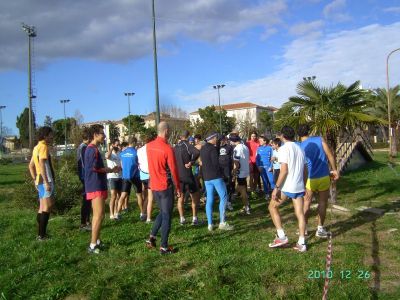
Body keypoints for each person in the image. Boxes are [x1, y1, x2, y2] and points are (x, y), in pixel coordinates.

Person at [268, 126, 307, 252]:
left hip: (288, 186)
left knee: (272, 207)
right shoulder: (300, 148)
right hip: (299, 185)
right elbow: (305, 169)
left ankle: (281, 236)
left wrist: (276, 188)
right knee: (300, 213)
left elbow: (284, 171)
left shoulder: (284, 149)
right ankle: (302, 243)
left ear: (283, 136)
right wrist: (304, 184)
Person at [145, 122, 181, 254]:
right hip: (164, 186)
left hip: (154, 185)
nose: (170, 132)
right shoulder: (167, 149)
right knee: (167, 216)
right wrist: (178, 188)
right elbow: (174, 170)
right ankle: (164, 247)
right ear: (166, 131)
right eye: (170, 130)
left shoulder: (148, 146)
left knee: (162, 212)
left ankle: (152, 237)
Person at [297, 124, 339, 238]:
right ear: (308, 131)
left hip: (310, 178)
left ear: (298, 134)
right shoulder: (319, 139)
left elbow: (302, 165)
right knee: (322, 203)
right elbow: (330, 155)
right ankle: (320, 228)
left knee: (306, 203)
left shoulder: (300, 146)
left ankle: (304, 228)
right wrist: (335, 170)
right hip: (324, 176)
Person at [84, 124, 119, 254]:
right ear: (95, 135)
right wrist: (109, 169)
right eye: (102, 133)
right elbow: (94, 168)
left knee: (99, 215)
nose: (104, 136)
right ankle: (93, 245)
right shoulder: (91, 150)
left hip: (98, 184)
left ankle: (97, 240)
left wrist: (111, 169)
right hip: (95, 185)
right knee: (98, 215)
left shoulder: (95, 149)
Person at [200, 132, 233, 231]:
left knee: (209, 199)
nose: (217, 140)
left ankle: (210, 224)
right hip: (216, 176)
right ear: (213, 138)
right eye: (216, 138)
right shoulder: (212, 149)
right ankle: (222, 222)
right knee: (223, 196)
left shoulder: (203, 149)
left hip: (206, 178)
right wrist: (223, 175)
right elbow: (216, 163)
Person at [29, 126, 55, 240]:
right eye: (50, 135)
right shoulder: (43, 146)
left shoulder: (36, 147)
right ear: (45, 136)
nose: (52, 137)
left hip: (39, 179)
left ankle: (40, 234)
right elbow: (41, 164)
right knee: (47, 206)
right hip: (46, 179)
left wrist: (35, 179)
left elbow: (30, 166)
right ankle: (42, 235)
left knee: (42, 207)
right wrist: (46, 181)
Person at [174, 130, 201, 226]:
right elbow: (197, 152)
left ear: (180, 137)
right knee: (194, 197)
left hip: (179, 177)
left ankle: (182, 218)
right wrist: (191, 162)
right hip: (188, 176)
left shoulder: (175, 147)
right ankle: (194, 218)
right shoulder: (187, 145)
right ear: (188, 136)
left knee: (180, 198)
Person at [116, 137, 145, 221]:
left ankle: (117, 213)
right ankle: (142, 213)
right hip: (135, 176)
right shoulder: (136, 153)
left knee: (122, 195)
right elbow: (139, 163)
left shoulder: (122, 153)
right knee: (139, 195)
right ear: (134, 142)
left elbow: (121, 166)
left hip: (125, 176)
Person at [230, 135, 251, 214]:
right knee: (243, 188)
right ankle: (246, 205)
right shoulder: (245, 147)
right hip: (246, 170)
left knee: (242, 191)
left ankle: (247, 207)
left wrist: (234, 172)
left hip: (241, 171)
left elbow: (236, 163)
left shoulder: (236, 148)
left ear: (233, 141)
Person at [76, 127, 91, 231]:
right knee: (86, 199)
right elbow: (86, 164)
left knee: (88, 199)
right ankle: (83, 223)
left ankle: (87, 221)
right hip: (85, 176)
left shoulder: (82, 147)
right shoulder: (84, 148)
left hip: (84, 176)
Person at [137, 134, 155, 223]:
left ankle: (143, 213)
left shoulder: (139, 150)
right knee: (150, 197)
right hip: (150, 175)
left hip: (142, 175)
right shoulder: (151, 149)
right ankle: (148, 217)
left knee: (146, 195)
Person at [105, 139, 122, 220]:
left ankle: (116, 213)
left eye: (118, 145)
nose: (117, 146)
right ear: (112, 145)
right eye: (116, 145)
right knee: (113, 196)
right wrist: (111, 148)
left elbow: (121, 164)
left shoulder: (119, 153)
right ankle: (111, 214)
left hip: (120, 176)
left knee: (119, 196)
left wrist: (120, 168)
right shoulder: (109, 153)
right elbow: (107, 156)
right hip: (112, 177)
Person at [219, 135, 234, 211]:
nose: (221, 141)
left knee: (228, 185)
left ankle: (228, 202)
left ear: (224, 140)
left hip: (227, 169)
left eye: (222, 140)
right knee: (220, 186)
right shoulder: (216, 147)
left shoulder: (229, 147)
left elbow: (233, 159)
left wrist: (233, 169)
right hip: (219, 170)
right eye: (220, 140)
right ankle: (222, 202)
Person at [256, 136, 274, 200]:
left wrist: (271, 166)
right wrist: (258, 166)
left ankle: (274, 193)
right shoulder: (258, 148)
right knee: (264, 181)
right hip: (261, 168)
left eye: (261, 141)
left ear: (265, 141)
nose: (259, 142)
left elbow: (272, 158)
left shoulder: (270, 148)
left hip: (268, 167)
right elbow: (257, 159)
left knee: (271, 181)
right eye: (259, 141)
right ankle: (267, 194)